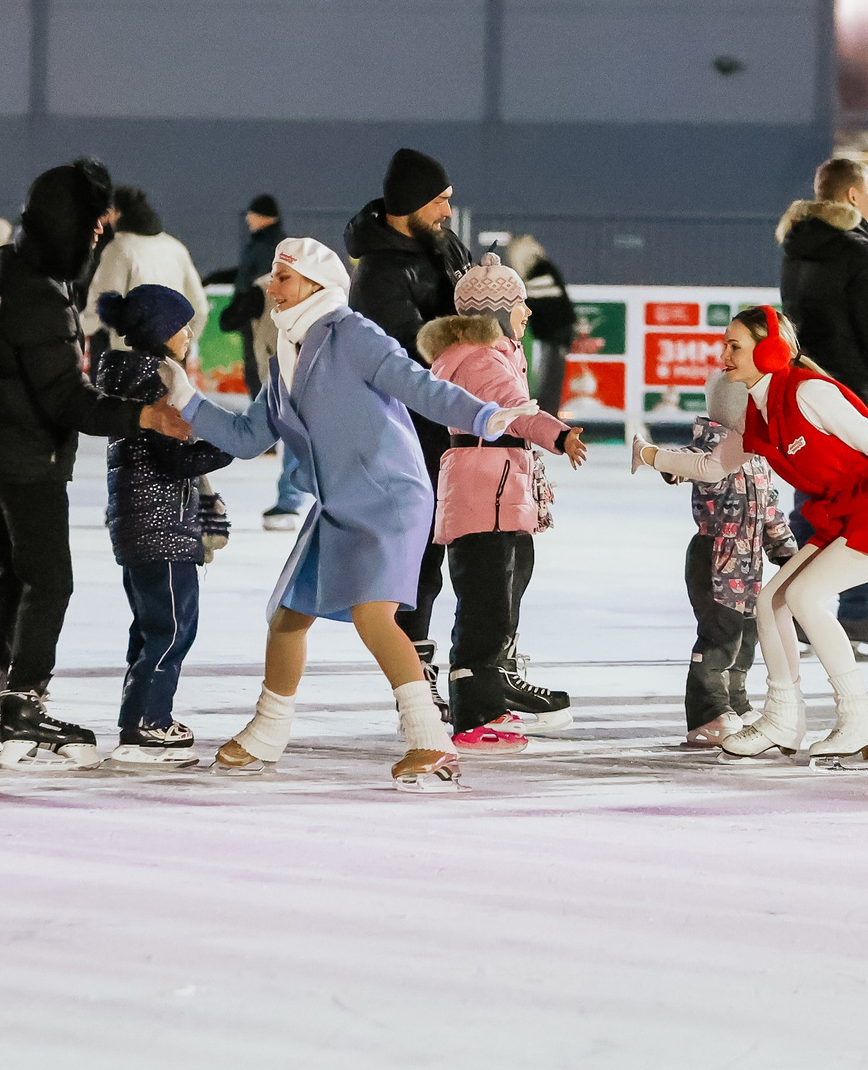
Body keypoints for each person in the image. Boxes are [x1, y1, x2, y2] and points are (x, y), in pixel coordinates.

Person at [176, 237, 531, 791]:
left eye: (283, 277)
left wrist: (487, 416)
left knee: (373, 616)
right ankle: (268, 733)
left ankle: (431, 742)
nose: (272, 286)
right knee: (288, 615)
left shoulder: (352, 333)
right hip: (339, 503)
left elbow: (419, 386)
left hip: (389, 497)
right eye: (274, 276)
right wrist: (188, 401)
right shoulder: (286, 358)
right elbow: (247, 439)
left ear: (318, 286)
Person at [631, 307, 868, 768]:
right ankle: (782, 718)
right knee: (771, 600)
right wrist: (650, 454)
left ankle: (859, 719)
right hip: (843, 515)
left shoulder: (809, 392)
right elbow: (712, 466)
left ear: (771, 350)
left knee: (806, 596)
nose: (723, 355)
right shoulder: (758, 415)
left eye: (735, 346)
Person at [0, 158, 187, 769]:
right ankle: (24, 709)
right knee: (48, 581)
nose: (98, 236)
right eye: (92, 226)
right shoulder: (38, 294)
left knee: (8, 575)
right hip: (24, 456)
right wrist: (146, 417)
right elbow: (65, 400)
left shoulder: (5, 265)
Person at [419, 254, 587, 746]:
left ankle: (489, 694)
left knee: (500, 595)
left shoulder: (492, 353)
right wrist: (559, 436)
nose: (528, 313)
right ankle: (477, 712)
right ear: (495, 311)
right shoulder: (481, 359)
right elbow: (515, 414)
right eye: (520, 304)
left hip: (495, 484)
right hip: (485, 488)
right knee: (487, 604)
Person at [776, 155, 868, 659]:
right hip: (854, 395)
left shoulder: (798, 246)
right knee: (866, 502)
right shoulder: (858, 250)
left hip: (807, 390)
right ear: (854, 195)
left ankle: (799, 608)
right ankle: (853, 612)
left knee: (817, 499)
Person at [345, 147, 472, 686]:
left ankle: (481, 669)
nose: (448, 210)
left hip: (458, 430)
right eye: (439, 200)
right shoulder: (379, 274)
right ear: (411, 203)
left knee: (469, 556)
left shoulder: (443, 246)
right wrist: (477, 332)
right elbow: (405, 355)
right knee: (417, 560)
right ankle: (415, 679)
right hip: (410, 437)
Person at [93, 284, 232, 766]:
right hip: (160, 530)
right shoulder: (156, 384)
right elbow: (176, 460)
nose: (190, 333)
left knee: (151, 629)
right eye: (182, 326)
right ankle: (148, 725)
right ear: (161, 334)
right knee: (172, 630)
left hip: (141, 529)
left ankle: (139, 719)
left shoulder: (130, 380)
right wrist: (231, 441)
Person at [659, 382, 796, 743]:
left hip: (748, 562)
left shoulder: (757, 454)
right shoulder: (712, 445)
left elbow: (770, 509)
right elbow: (689, 462)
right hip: (714, 557)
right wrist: (668, 466)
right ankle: (708, 713)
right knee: (720, 634)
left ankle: (734, 700)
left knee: (746, 633)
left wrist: (784, 550)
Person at [211, 196, 305, 530]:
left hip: (282, 364)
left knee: (291, 429)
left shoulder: (266, 279)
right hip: (284, 362)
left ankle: (291, 504)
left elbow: (234, 311)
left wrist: (243, 302)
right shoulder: (302, 278)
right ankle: (293, 502)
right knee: (291, 428)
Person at [82, 185, 207, 352]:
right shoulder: (176, 248)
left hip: (132, 357)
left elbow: (101, 302)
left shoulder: (119, 249)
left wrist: (78, 326)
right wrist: (187, 344)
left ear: (118, 212)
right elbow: (200, 308)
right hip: (170, 355)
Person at [504, 233, 576, 413]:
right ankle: (544, 418)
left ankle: (543, 419)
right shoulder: (545, 269)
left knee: (547, 382)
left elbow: (529, 299)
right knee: (549, 381)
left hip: (552, 336)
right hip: (554, 336)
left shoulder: (540, 271)